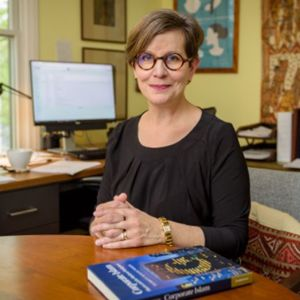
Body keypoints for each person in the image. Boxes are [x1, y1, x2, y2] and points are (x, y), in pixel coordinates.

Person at [90, 9, 250, 260]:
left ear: (192, 68)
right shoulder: (121, 134)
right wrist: (101, 226)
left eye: (173, 58)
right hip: (126, 273)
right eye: (146, 58)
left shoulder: (219, 137)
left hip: (192, 278)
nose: (159, 71)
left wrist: (159, 229)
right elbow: (99, 218)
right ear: (134, 67)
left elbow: (235, 240)